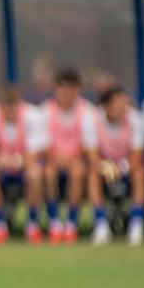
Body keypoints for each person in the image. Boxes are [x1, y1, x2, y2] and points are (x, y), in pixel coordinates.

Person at [0, 87, 47, 244]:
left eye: (14, 105)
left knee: (36, 173)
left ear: (20, 105)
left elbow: (34, 155)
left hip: (23, 170)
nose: (10, 110)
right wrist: (0, 161)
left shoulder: (32, 117)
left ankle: (32, 224)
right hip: (1, 171)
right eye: (7, 105)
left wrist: (17, 161)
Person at [39, 70, 98, 244]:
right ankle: (55, 223)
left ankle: (71, 223)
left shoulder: (88, 111)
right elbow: (43, 143)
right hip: (53, 159)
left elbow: (88, 144)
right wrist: (57, 158)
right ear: (56, 89)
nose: (66, 93)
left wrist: (72, 159)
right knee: (48, 172)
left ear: (78, 90)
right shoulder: (45, 110)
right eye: (63, 88)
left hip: (76, 160)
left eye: (71, 88)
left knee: (78, 171)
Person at [88, 86, 144, 245]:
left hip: (128, 168)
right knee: (92, 175)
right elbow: (92, 155)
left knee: (139, 173)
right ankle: (101, 225)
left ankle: (136, 224)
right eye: (119, 104)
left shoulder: (135, 120)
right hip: (103, 168)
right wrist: (106, 167)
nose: (123, 109)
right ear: (107, 106)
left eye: (125, 104)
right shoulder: (92, 120)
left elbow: (137, 155)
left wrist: (121, 168)